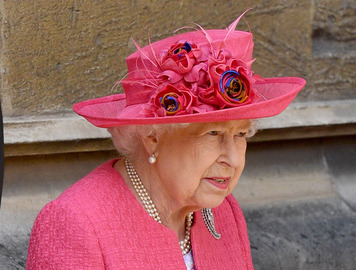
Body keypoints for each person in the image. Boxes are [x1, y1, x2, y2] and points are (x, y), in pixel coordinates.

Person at [26, 14, 305, 269]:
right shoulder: (75, 223)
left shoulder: (223, 211)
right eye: (213, 134)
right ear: (152, 137)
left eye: (241, 134)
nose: (233, 159)